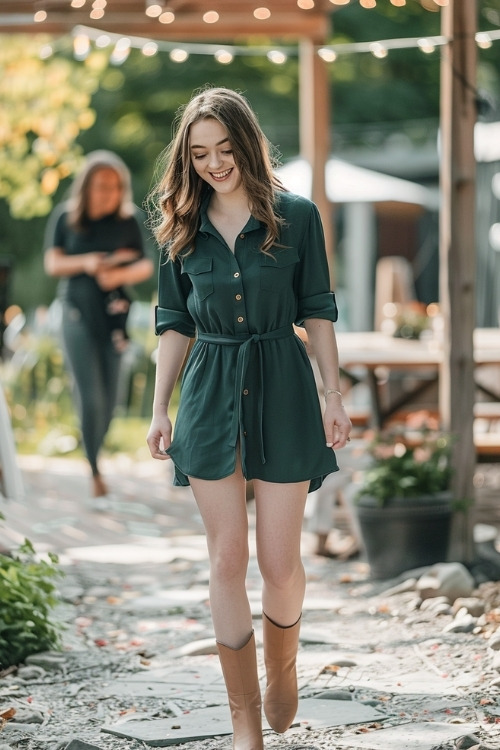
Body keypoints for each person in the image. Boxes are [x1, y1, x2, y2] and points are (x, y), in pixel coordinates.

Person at [146, 87, 352, 748]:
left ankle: (281, 668)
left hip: (283, 385)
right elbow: (173, 323)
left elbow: (316, 307)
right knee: (227, 556)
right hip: (208, 390)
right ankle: (243, 722)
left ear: (248, 144)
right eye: (200, 153)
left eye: (225, 149)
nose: (214, 164)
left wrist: (333, 394)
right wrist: (157, 408)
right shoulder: (180, 226)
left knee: (280, 563)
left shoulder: (295, 216)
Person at [44, 150, 154, 507]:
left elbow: (146, 265)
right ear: (87, 186)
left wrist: (118, 274)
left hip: (116, 321)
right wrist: (89, 263)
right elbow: (53, 262)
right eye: (101, 185)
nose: (108, 192)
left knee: (111, 400)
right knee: (90, 396)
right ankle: (94, 471)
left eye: (114, 186)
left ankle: (95, 449)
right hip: (76, 314)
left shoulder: (129, 220)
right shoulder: (66, 218)